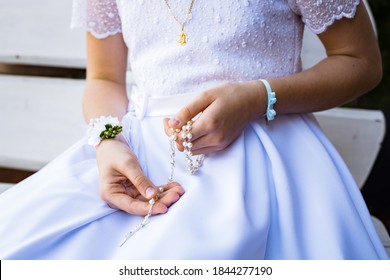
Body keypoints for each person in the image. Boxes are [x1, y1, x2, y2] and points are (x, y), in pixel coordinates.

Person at [0, 0, 388, 259]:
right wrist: (108, 142)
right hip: (135, 159)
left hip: (260, 153)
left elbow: (359, 62)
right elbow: (103, 77)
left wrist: (256, 97)